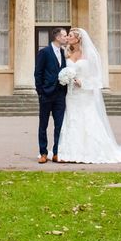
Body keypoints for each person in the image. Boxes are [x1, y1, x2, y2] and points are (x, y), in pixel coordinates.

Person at [57, 27, 121, 164]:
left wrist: (82, 82)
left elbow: (96, 77)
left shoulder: (90, 55)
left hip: (85, 93)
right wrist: (65, 78)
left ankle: (90, 150)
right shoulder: (67, 53)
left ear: (78, 38)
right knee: (72, 119)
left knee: (87, 119)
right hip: (71, 95)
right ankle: (69, 150)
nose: (68, 38)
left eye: (71, 35)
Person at [33, 27, 68, 164]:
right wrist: (40, 92)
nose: (66, 38)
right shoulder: (44, 52)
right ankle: (43, 152)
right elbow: (38, 73)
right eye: (65, 36)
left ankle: (56, 152)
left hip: (60, 95)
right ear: (58, 37)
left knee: (59, 125)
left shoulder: (63, 52)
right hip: (46, 94)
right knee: (43, 125)